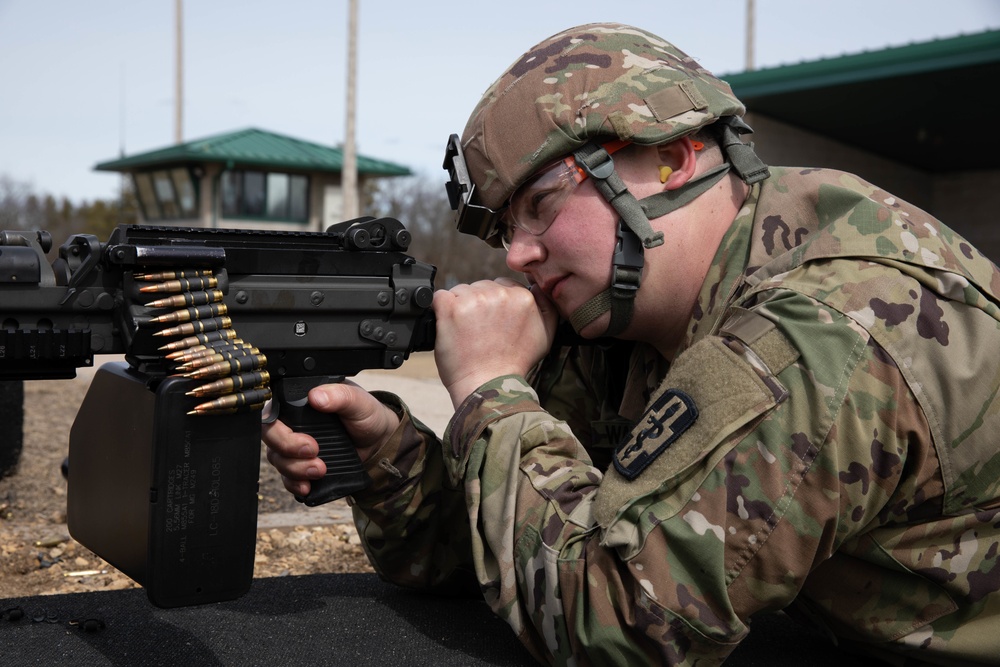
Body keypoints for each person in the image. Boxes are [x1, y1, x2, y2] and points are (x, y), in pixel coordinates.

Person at [263, 23, 1000, 666]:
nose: (516, 255)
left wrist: (493, 391)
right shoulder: (627, 327)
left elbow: (622, 627)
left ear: (673, 158)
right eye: (503, 229)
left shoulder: (818, 331)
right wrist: (393, 458)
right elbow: (520, 555)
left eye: (540, 205)